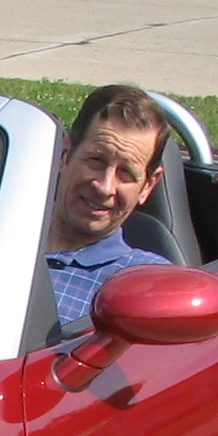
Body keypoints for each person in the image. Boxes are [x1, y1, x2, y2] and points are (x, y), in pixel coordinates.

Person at [45, 85, 171, 327]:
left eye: (126, 172)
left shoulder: (150, 286)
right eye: (96, 160)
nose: (105, 187)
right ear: (65, 155)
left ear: (148, 185)